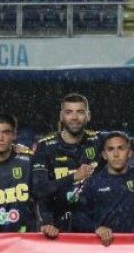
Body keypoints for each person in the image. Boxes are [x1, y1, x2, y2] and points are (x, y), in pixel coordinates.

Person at [70, 132, 134, 246]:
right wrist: (96, 228)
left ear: (130, 153)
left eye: (121, 148)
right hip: (106, 248)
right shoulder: (93, 182)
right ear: (104, 155)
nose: (116, 154)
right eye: (110, 149)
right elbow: (78, 215)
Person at [33, 93, 102, 238]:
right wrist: (74, 177)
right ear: (61, 116)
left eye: (80, 112)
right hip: (56, 228)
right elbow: (40, 189)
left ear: (88, 116)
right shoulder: (45, 146)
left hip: (94, 227)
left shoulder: (99, 141)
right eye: (69, 112)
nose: (74, 117)